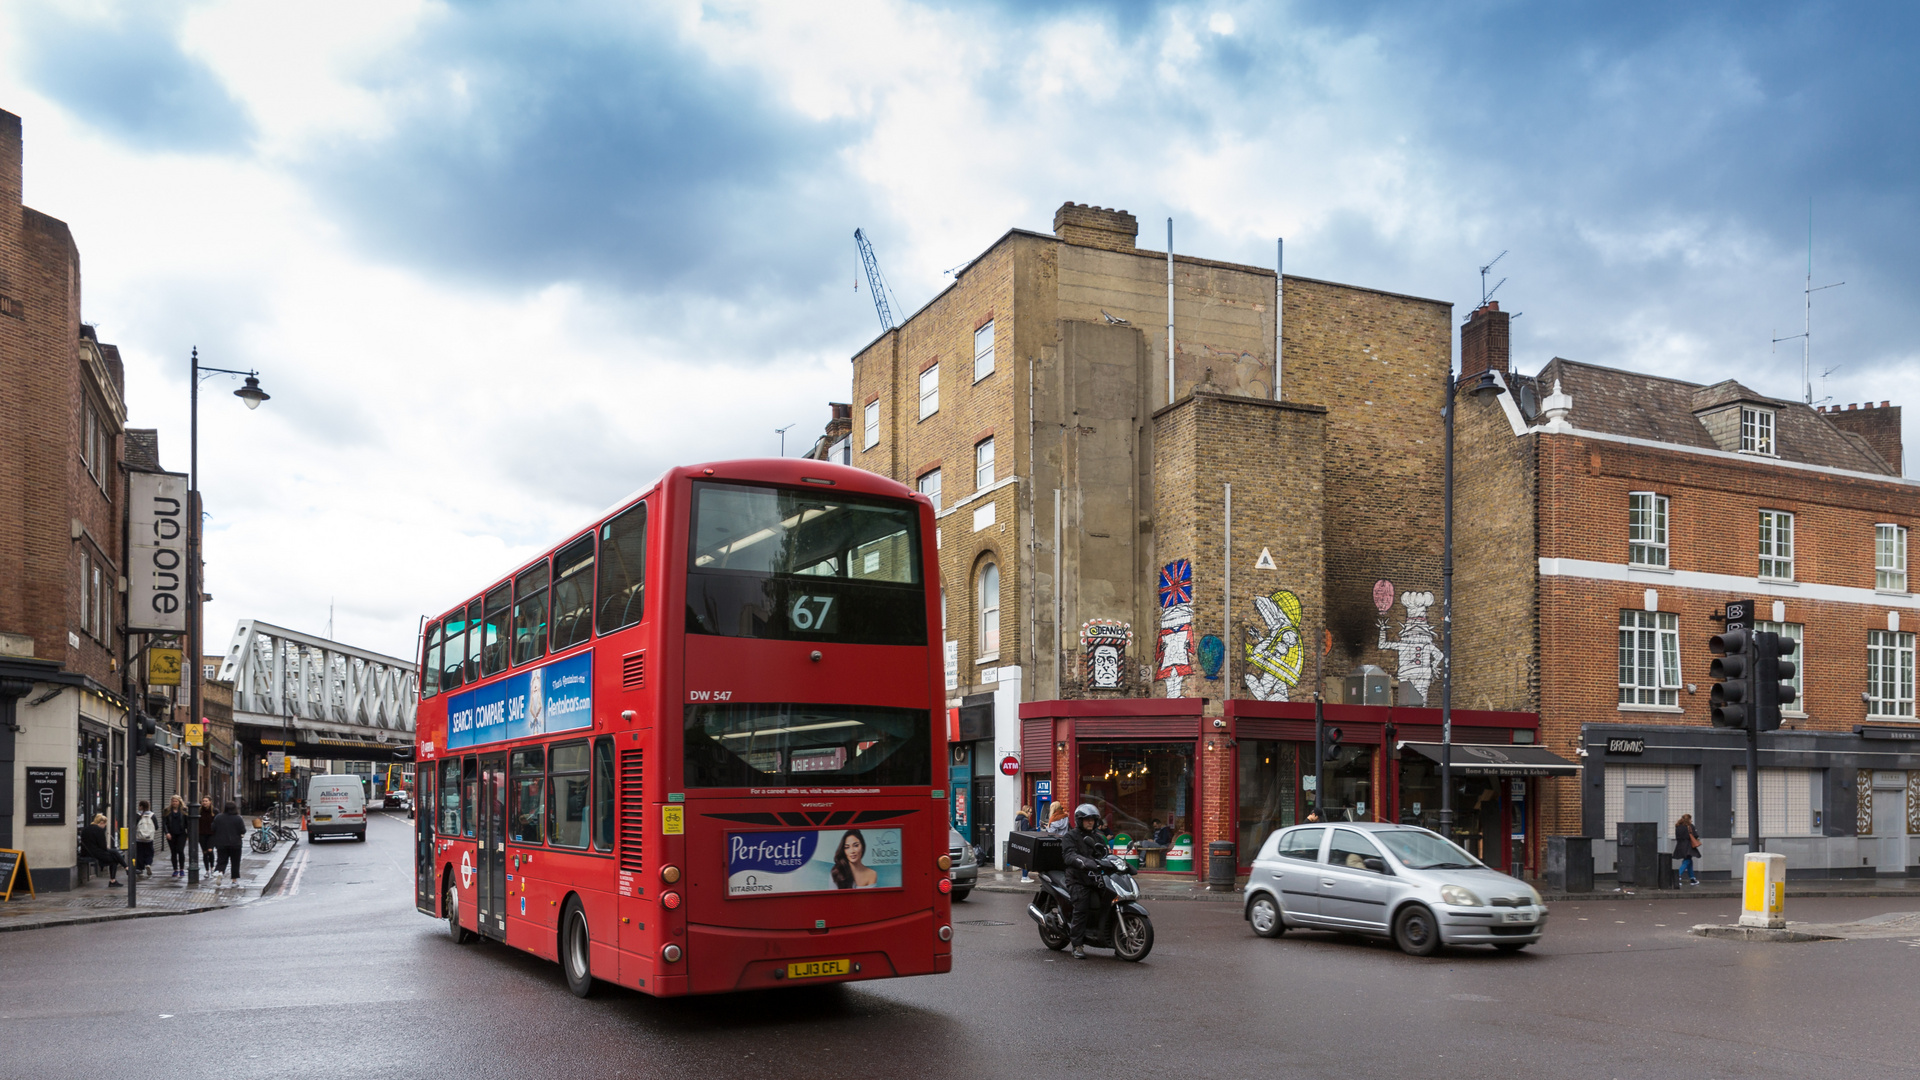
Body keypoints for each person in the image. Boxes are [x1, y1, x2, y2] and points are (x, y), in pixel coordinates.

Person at [1061, 802, 1112, 960]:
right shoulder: (1071, 836)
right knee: (1082, 906)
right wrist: (1081, 861)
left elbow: (1105, 854)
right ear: (1079, 820)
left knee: (1110, 901)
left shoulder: (1098, 837)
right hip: (1077, 878)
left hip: (1096, 877)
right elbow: (1068, 855)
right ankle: (1077, 945)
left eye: (1092, 819)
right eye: (1086, 819)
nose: (1090, 822)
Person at [79, 813, 125, 887]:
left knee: (114, 852)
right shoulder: (99, 830)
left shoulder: (86, 829)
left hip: (86, 852)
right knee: (114, 859)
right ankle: (114, 879)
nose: (104, 827)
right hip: (95, 853)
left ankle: (125, 868)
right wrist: (106, 846)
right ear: (101, 823)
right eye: (105, 825)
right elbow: (102, 846)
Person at [211, 802, 247, 885]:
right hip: (235, 843)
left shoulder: (218, 817)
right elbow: (243, 830)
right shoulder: (238, 818)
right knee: (235, 862)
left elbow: (213, 828)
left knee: (222, 860)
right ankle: (234, 880)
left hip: (221, 843)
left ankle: (220, 872)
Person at [164, 795, 190, 878]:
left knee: (180, 850)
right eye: (173, 801)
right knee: (173, 852)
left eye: (176, 801)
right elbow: (164, 823)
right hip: (171, 834)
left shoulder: (184, 811)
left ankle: (181, 869)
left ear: (179, 802)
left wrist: (188, 834)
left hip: (181, 833)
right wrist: (167, 833)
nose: (174, 803)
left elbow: (187, 823)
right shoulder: (167, 811)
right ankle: (175, 870)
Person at [1674, 813, 1701, 886]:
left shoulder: (1678, 826)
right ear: (1689, 819)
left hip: (1680, 846)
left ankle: (1692, 879)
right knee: (1687, 860)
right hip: (1688, 846)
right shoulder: (1690, 826)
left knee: (1689, 861)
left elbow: (1677, 837)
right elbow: (1695, 835)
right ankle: (1677, 876)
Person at [133, 799, 158, 879]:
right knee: (149, 852)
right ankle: (148, 864)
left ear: (141, 806)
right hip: (149, 839)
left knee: (140, 853)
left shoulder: (137, 815)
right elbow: (156, 827)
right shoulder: (152, 815)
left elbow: (133, 826)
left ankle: (140, 870)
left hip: (139, 838)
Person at [1012, 805, 1035, 882]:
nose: (1031, 814)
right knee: (1026, 859)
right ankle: (1024, 877)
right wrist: (1034, 830)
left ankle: (1024, 876)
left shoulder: (1019, 818)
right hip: (1025, 841)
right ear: (1026, 812)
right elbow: (1025, 831)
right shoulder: (1025, 820)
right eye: (1030, 812)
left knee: (1023, 860)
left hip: (1019, 840)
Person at [197, 796, 217, 874]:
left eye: (206, 801)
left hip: (212, 834)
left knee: (210, 850)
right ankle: (207, 870)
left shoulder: (215, 811)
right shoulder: (199, 811)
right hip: (202, 834)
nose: (204, 802)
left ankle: (212, 867)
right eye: (203, 801)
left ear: (210, 802)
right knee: (205, 852)